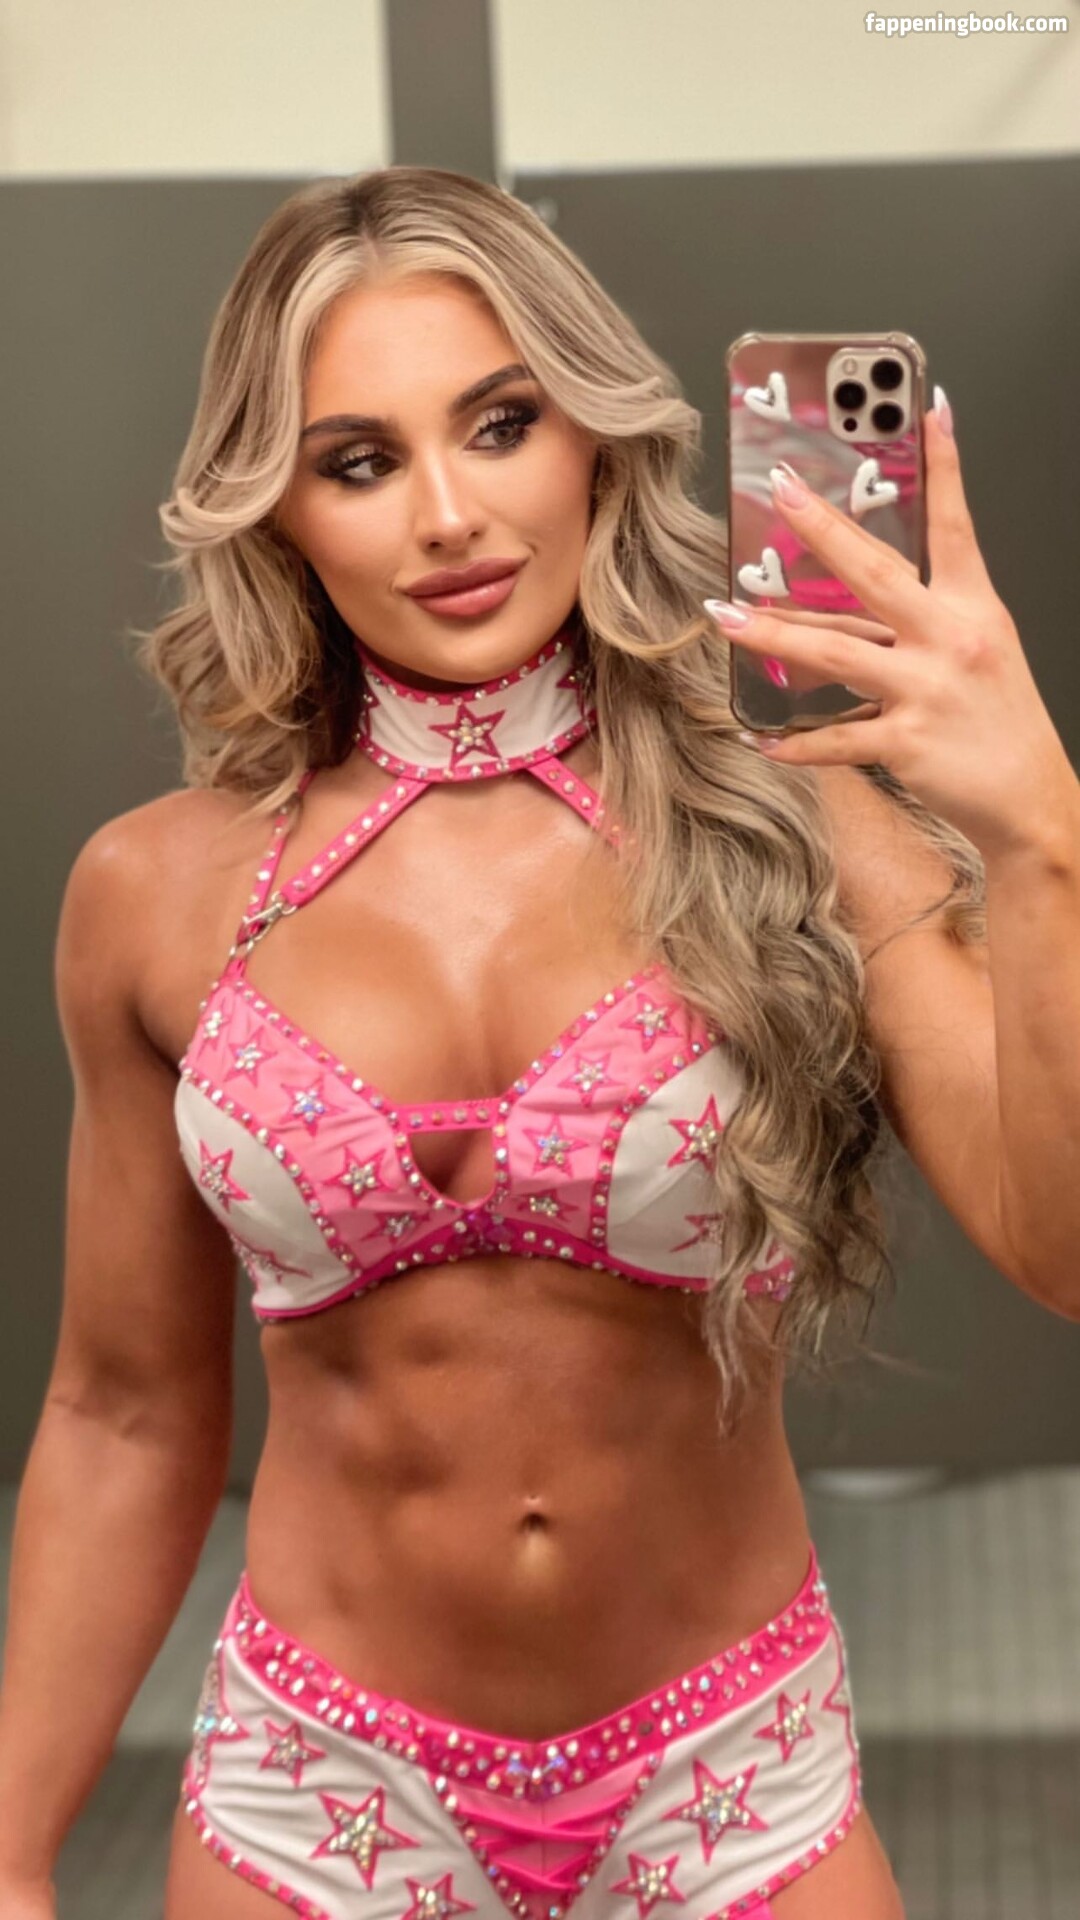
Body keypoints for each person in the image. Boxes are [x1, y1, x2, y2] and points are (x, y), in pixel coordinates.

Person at [3, 165, 1078, 1920]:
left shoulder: (799, 828)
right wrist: (11, 1858)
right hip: (317, 1787)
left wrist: (1043, 834)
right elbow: (122, 1413)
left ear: (593, 437)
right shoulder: (154, 895)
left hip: (733, 1776)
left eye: (501, 424)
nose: (451, 516)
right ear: (279, 510)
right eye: (362, 461)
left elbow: (1064, 1250)